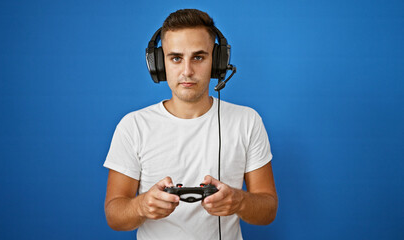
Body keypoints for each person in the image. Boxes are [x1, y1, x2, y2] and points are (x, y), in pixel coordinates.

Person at [103, 9, 278, 240]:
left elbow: (268, 211)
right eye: (176, 58)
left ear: (217, 62)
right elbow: (114, 216)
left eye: (198, 57)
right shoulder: (133, 126)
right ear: (158, 64)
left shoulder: (247, 121)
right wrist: (141, 206)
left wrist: (240, 201)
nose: (187, 71)